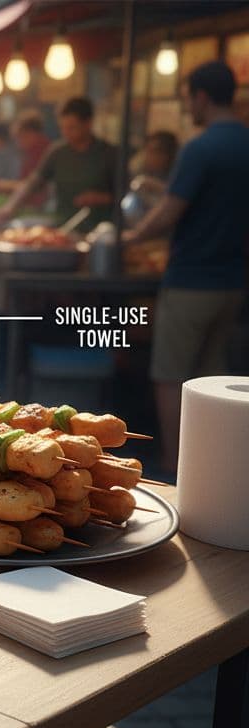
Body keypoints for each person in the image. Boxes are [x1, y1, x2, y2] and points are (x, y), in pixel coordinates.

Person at [124, 61, 249, 473]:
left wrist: (131, 236)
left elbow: (169, 212)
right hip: (233, 283)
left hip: (191, 281)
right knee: (212, 378)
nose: (187, 105)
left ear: (201, 96)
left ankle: (177, 468)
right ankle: (214, 467)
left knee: (170, 376)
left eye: (187, 97)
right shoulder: (244, 142)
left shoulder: (200, 146)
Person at [0, 97, 117, 231]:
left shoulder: (109, 154)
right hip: (64, 227)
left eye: (72, 128)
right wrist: (10, 206)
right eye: (63, 128)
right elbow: (33, 182)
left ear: (88, 123)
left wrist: (102, 198)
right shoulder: (57, 152)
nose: (66, 133)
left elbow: (124, 195)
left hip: (100, 230)